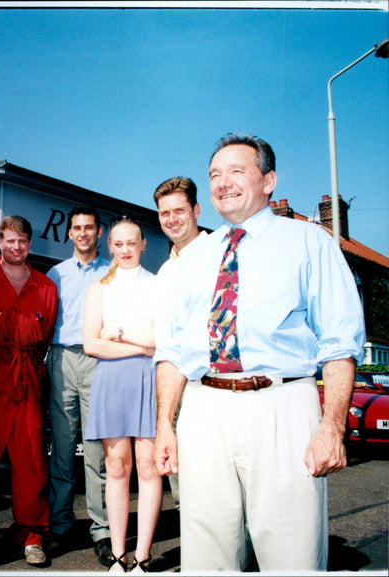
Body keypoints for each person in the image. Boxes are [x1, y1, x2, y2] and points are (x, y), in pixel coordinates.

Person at [153, 133, 366, 572]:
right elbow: (172, 351)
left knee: (292, 553)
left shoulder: (310, 243)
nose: (223, 182)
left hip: (282, 406)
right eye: (214, 174)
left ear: (268, 180)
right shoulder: (191, 259)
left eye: (236, 170)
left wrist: (332, 427)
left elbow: (340, 342)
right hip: (204, 410)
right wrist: (165, 427)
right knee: (206, 556)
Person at [83, 216, 160, 573]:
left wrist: (118, 332)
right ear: (109, 246)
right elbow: (91, 344)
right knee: (116, 467)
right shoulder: (99, 288)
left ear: (143, 244)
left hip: (149, 379)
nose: (125, 250)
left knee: (147, 468)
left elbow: (161, 340)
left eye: (132, 243)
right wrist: (140, 346)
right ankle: (117, 556)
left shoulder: (158, 285)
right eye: (118, 244)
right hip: (112, 380)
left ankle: (142, 557)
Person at [0, 216, 58, 567]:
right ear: (0, 241)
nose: (16, 247)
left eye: (22, 241)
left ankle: (31, 535)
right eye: (9, 241)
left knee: (31, 462)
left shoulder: (45, 287)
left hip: (28, 379)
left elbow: (47, 333)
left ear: (29, 243)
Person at [45, 206, 113, 566]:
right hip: (61, 360)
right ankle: (60, 525)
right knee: (62, 445)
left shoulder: (112, 272)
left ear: (99, 232)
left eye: (89, 227)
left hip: (99, 362)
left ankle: (101, 529)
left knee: (96, 449)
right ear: (69, 233)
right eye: (77, 228)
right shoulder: (56, 274)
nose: (83, 233)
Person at [152, 176, 207, 510]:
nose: (171, 219)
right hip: (179, 396)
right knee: (187, 494)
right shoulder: (165, 273)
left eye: (179, 210)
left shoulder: (220, 257)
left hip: (214, 393)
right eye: (164, 213)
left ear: (196, 210)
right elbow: (167, 345)